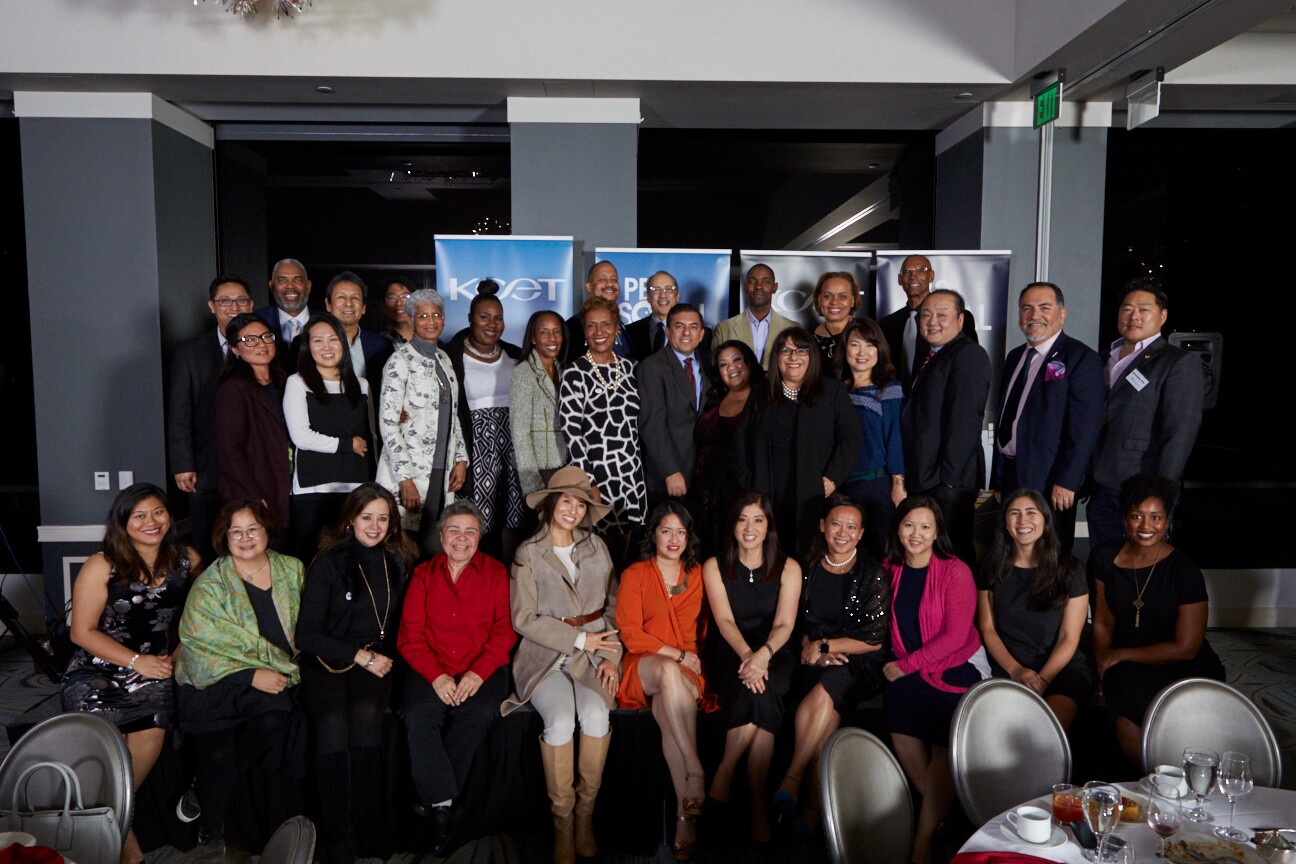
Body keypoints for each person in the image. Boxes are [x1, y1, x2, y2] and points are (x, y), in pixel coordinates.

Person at [61, 484, 201, 864]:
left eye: (158, 512)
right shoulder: (102, 563)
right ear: (123, 523)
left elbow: (203, 617)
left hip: (156, 671)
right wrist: (136, 662)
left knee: (123, 780)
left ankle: (105, 835)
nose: (151, 522)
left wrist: (175, 655)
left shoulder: (188, 559)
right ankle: (131, 856)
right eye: (139, 515)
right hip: (98, 671)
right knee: (109, 763)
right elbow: (81, 632)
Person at [502, 467, 621, 864]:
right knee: (561, 721)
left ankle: (585, 815)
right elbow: (525, 618)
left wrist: (610, 657)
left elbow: (612, 607)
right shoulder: (528, 552)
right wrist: (578, 639)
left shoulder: (596, 547)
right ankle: (562, 821)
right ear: (551, 503)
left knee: (596, 717)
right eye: (566, 500)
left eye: (580, 503)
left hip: (594, 654)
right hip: (545, 657)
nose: (572, 510)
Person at [294, 483, 416, 864]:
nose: (375, 526)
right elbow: (306, 635)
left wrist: (379, 659)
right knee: (332, 722)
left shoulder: (399, 559)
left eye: (383, 518)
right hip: (330, 658)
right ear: (350, 519)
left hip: (378, 662)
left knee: (366, 718)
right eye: (367, 517)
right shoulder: (329, 561)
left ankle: (369, 827)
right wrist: (358, 656)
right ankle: (337, 834)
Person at [173, 499, 302, 851]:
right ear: (224, 537)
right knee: (217, 752)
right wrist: (250, 675)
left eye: (253, 529)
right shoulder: (210, 583)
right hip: (214, 684)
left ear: (267, 531)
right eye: (236, 532)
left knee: (276, 719)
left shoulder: (292, 570)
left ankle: (200, 791)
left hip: (277, 673)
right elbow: (197, 647)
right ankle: (211, 833)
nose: (245, 538)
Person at [398, 500, 516, 854]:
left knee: (479, 712)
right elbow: (411, 636)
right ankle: (446, 804)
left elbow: (505, 633)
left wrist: (478, 673)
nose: (461, 539)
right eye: (454, 530)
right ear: (441, 535)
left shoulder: (496, 573)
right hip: (430, 664)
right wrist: (436, 677)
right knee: (418, 714)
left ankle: (434, 801)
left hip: (482, 666)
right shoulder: (423, 575)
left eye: (470, 531)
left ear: (480, 536)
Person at [772, 495, 889, 838]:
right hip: (813, 657)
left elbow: (874, 639)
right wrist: (812, 648)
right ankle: (811, 808)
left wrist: (826, 646)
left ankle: (791, 776)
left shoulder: (873, 574)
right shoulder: (806, 567)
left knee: (832, 683)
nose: (843, 532)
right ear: (823, 526)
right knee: (825, 699)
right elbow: (797, 622)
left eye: (852, 527)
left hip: (860, 660)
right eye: (836, 523)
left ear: (861, 533)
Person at [881, 496, 989, 864]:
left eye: (926, 526)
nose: (916, 533)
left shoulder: (955, 570)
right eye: (909, 524)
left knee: (944, 736)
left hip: (957, 663)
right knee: (899, 717)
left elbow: (956, 637)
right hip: (911, 667)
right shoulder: (888, 569)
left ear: (938, 532)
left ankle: (923, 838)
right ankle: (943, 812)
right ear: (898, 528)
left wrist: (908, 664)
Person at [1089, 473, 1224, 767]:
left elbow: (1186, 647)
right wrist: (1102, 664)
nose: (1146, 526)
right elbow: (1102, 622)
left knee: (1165, 706)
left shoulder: (1184, 571)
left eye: (1155, 517)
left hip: (1179, 662)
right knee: (1120, 690)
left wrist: (1119, 655)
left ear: (1167, 520)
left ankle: (1171, 780)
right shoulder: (1103, 558)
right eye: (1137, 516)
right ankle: (1149, 778)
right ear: (1125, 518)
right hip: (1126, 659)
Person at [701, 493, 802, 844]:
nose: (750, 528)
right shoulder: (714, 566)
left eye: (758, 520)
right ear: (732, 524)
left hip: (776, 651)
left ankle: (724, 776)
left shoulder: (789, 567)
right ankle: (758, 804)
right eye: (743, 519)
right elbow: (724, 620)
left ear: (768, 526)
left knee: (765, 687)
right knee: (755, 692)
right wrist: (748, 656)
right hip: (733, 651)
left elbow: (785, 624)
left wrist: (763, 656)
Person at [616, 503, 713, 862]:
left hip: (685, 666)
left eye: (681, 533)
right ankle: (695, 766)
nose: (673, 539)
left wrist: (688, 659)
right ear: (653, 534)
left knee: (667, 712)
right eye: (666, 531)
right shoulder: (636, 574)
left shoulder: (699, 573)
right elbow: (629, 633)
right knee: (669, 674)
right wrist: (676, 655)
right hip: (644, 662)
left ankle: (684, 818)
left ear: (689, 538)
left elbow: (702, 633)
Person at [1089, 280, 1205, 548]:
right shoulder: (1104, 357)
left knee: (1139, 574)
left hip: (1142, 489)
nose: (1134, 316)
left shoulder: (1176, 361)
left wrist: (1159, 496)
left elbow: (1180, 433)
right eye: (1127, 309)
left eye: (1143, 309)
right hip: (1100, 485)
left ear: (1162, 316)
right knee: (1102, 567)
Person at [992, 282, 1104, 555]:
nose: (1034, 315)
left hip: (1050, 478)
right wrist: (997, 478)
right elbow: (1008, 415)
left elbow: (1085, 428)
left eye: (1044, 307)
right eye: (1026, 308)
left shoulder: (1080, 358)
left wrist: (1068, 480)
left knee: (1050, 554)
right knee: (1012, 550)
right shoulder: (1015, 357)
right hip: (1010, 473)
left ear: (1062, 314)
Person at [740, 326, 862, 558]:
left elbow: (851, 437)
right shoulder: (762, 393)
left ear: (812, 355)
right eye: (786, 351)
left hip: (815, 493)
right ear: (777, 357)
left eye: (801, 350)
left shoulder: (831, 390)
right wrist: (751, 486)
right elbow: (741, 443)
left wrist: (832, 479)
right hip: (770, 494)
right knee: (772, 555)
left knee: (812, 554)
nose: (793, 357)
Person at [976, 489, 1091, 730]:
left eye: (1031, 512)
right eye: (1014, 513)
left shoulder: (1070, 569)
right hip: (1009, 665)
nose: (1022, 521)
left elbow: (1069, 637)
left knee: (1045, 732)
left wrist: (1043, 680)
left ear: (1045, 520)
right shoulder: (991, 567)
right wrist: (1015, 670)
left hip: (1060, 668)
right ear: (1005, 523)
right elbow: (988, 630)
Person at [374, 288, 468, 558]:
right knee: (404, 546)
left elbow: (453, 415)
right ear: (411, 320)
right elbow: (388, 424)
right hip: (411, 471)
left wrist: (461, 458)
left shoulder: (445, 359)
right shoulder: (399, 362)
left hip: (442, 469)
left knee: (434, 545)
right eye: (423, 315)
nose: (431, 321)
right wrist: (405, 479)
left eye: (436, 314)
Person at [899, 289, 990, 565]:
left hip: (947, 483)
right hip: (927, 478)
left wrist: (948, 480)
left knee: (953, 554)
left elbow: (964, 422)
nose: (932, 321)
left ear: (960, 320)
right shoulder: (931, 354)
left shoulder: (968, 355)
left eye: (942, 314)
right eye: (926, 314)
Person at [169, 275, 254, 562]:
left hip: (254, 465)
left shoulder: (264, 345)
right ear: (211, 306)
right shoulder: (190, 352)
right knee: (209, 542)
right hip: (207, 467)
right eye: (225, 301)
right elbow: (180, 411)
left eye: (241, 300)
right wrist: (183, 464)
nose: (234, 307)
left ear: (251, 304)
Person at [559, 296, 646, 559]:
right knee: (601, 557)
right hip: (599, 477)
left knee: (631, 555)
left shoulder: (633, 369)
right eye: (591, 326)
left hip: (633, 477)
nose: (599, 332)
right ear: (584, 331)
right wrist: (589, 481)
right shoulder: (574, 373)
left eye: (606, 325)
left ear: (617, 328)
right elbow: (571, 433)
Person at [443, 282, 525, 559]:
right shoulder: (451, 357)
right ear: (470, 318)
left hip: (513, 453)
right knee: (479, 522)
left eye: (498, 318)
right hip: (475, 452)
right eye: (484, 316)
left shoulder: (516, 356)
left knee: (515, 524)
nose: (492, 324)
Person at [284, 313, 373, 559]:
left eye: (333, 339)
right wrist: (347, 444)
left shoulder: (361, 385)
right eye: (318, 341)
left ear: (343, 344)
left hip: (355, 486)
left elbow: (371, 436)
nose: (326, 347)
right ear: (307, 346)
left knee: (354, 558)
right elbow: (301, 437)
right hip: (313, 489)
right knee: (314, 559)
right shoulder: (298, 383)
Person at [215, 313, 291, 542]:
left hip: (291, 483)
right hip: (260, 486)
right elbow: (230, 451)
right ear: (234, 349)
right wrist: (253, 495)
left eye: (266, 337)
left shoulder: (286, 381)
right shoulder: (233, 389)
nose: (261, 344)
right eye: (250, 340)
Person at [838, 317, 906, 561]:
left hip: (875, 487)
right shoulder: (835, 391)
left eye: (870, 346)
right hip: (839, 487)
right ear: (845, 348)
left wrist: (898, 484)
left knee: (878, 555)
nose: (862, 353)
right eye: (855, 345)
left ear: (880, 350)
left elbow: (895, 438)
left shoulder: (889, 390)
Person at [694, 340, 766, 558]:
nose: (731, 368)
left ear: (749, 363)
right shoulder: (713, 399)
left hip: (743, 494)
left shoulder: (764, 400)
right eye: (723, 364)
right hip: (706, 496)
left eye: (736, 360)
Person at [637, 302, 710, 513]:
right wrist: (671, 471)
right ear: (668, 332)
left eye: (693, 327)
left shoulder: (710, 363)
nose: (687, 332)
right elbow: (652, 424)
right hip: (668, 479)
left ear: (702, 334)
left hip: (701, 477)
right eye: (679, 326)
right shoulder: (651, 367)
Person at [879, 254, 979, 392]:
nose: (913, 276)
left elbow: (969, 363)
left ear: (931, 276)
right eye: (907, 272)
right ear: (900, 279)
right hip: (897, 402)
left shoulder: (956, 318)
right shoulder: (888, 324)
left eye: (920, 270)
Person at [509, 309, 568, 496]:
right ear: (533, 338)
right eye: (544, 332)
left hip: (565, 465)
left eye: (557, 331)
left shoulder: (564, 370)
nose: (552, 338)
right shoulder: (524, 373)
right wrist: (532, 484)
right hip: (541, 469)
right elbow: (520, 434)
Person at [322, 271, 393, 402]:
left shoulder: (381, 346)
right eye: (341, 297)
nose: (348, 304)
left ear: (364, 308)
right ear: (328, 304)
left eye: (355, 298)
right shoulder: (311, 344)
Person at [711, 263, 796, 369]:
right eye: (752, 281)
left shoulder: (792, 328)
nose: (758, 286)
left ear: (775, 287)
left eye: (766, 281)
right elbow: (715, 368)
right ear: (746, 286)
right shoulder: (724, 329)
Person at [255, 258, 313, 369]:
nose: (290, 286)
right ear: (272, 286)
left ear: (308, 286)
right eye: (282, 280)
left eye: (298, 280)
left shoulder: (326, 321)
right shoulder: (256, 320)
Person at [565, 261, 630, 358]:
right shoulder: (574, 325)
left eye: (614, 279)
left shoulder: (620, 324)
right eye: (602, 279)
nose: (609, 283)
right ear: (589, 287)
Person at [809, 271, 863, 367]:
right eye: (828, 296)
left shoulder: (866, 332)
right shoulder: (808, 337)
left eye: (842, 296)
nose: (834, 302)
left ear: (852, 301)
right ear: (819, 299)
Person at [625, 270, 679, 360]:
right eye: (656, 290)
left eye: (669, 289)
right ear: (648, 297)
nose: (663, 295)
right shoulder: (629, 332)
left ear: (677, 296)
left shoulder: (694, 334)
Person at [379, 278, 414, 345]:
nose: (399, 303)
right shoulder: (377, 344)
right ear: (383, 306)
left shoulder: (429, 338)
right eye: (392, 297)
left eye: (405, 296)